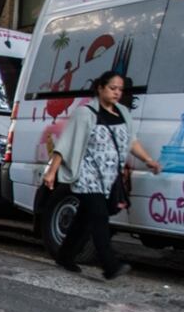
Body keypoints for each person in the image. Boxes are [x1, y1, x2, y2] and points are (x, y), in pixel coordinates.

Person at [42, 71, 162, 279]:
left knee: (85, 218)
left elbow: (131, 142)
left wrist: (148, 160)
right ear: (100, 88)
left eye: (120, 89)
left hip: (109, 178)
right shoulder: (85, 113)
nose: (117, 93)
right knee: (99, 217)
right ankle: (110, 265)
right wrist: (52, 172)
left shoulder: (123, 112)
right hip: (88, 176)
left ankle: (65, 255)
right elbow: (66, 144)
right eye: (112, 88)